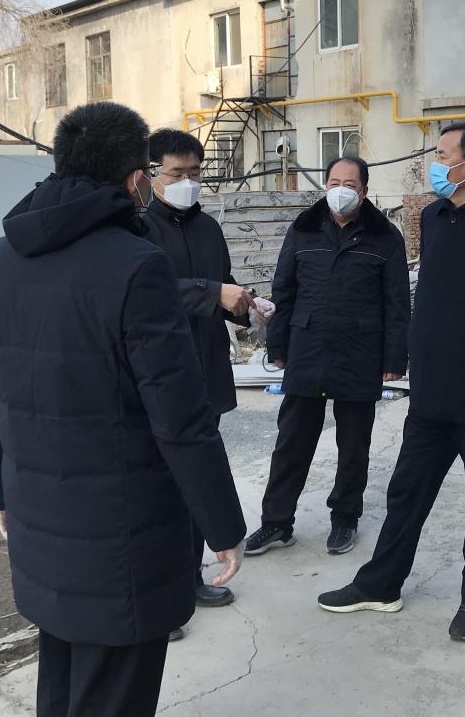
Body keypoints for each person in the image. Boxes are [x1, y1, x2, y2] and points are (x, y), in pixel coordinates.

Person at [0, 102, 246, 717]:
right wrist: (223, 526)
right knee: (114, 693)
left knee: (63, 685)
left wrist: (1, 496)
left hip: (40, 522)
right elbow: (181, 418)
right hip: (123, 538)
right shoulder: (137, 267)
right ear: (135, 179)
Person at [318, 122, 465, 642]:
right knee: (407, 491)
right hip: (431, 393)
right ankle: (380, 584)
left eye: (444, 155)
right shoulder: (433, 216)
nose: (435, 164)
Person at [245, 156, 410, 557]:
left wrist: (394, 360)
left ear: (364, 192)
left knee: (354, 444)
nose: (340, 190)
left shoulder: (385, 237)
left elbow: (396, 304)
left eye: (349, 184)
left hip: (360, 351)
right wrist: (277, 346)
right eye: (334, 182)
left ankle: (345, 517)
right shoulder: (303, 229)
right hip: (308, 347)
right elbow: (284, 290)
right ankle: (276, 522)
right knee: (292, 441)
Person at [141, 128, 267, 639]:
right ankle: (158, 595)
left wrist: (246, 307)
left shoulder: (209, 228)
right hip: (159, 375)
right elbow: (147, 294)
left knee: (199, 477)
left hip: (205, 368)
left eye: (195, 173)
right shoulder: (138, 229)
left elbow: (223, 287)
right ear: (151, 175)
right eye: (177, 173)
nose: (187, 183)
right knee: (159, 489)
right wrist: (212, 292)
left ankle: (190, 579)